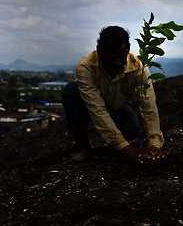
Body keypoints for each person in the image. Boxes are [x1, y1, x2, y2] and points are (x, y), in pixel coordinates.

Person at [61, 26, 164, 163]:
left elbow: (149, 107)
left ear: (128, 49)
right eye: (112, 57)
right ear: (99, 51)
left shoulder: (138, 67)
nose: (117, 62)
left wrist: (155, 145)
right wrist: (127, 149)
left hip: (117, 106)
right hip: (87, 106)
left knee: (131, 128)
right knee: (70, 92)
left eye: (122, 57)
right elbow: (97, 111)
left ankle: (114, 147)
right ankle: (83, 146)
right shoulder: (86, 67)